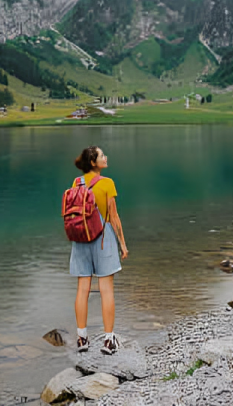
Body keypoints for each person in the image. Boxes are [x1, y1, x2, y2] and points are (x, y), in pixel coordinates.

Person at [70, 146, 128, 356]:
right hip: (102, 238)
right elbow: (113, 216)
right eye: (102, 155)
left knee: (82, 289)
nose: (106, 157)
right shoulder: (107, 183)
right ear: (94, 162)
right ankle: (109, 340)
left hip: (80, 239)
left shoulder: (77, 182)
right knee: (106, 290)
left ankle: (82, 338)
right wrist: (122, 242)